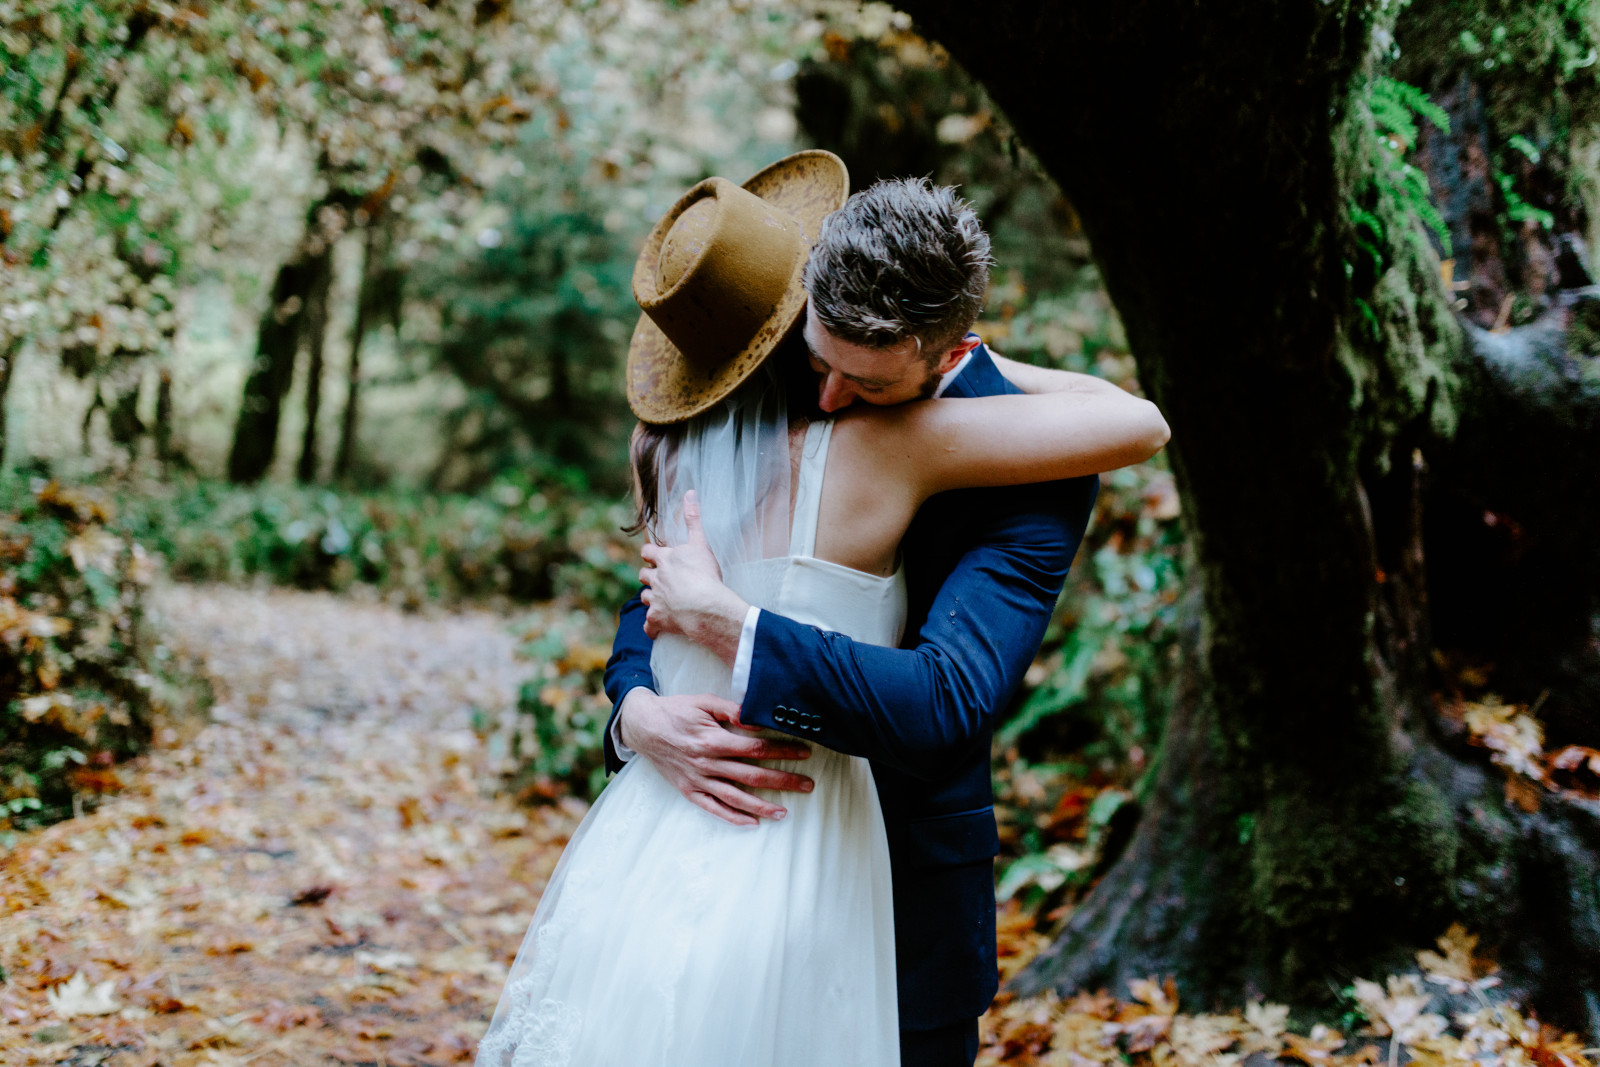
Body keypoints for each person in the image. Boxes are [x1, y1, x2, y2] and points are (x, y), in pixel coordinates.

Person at [477, 151, 1167, 1066]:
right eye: (819, 360)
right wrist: (637, 715)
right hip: (689, 854)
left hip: (903, 894)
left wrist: (731, 622)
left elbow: (949, 699)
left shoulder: (1031, 473)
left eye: (870, 385)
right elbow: (651, 596)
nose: (833, 397)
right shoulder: (761, 386)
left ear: (951, 353)